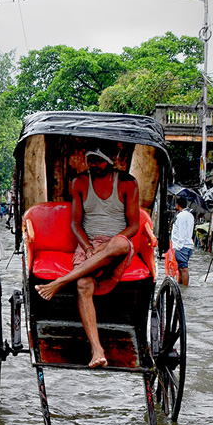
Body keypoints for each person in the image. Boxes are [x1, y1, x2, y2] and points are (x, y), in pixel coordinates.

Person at [35, 149, 141, 368]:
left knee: (119, 244)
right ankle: (97, 350)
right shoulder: (80, 182)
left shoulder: (127, 183)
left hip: (117, 243)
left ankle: (61, 281)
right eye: (90, 160)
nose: (93, 164)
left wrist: (109, 243)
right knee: (83, 283)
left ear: (111, 162)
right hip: (88, 243)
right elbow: (76, 223)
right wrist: (88, 247)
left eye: (99, 160)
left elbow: (134, 225)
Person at [171, 196, 195, 286]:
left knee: (184, 269)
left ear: (178, 205)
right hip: (188, 245)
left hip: (181, 246)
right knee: (180, 268)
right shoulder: (190, 215)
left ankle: (184, 288)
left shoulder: (180, 216)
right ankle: (180, 287)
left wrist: (178, 247)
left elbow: (182, 232)